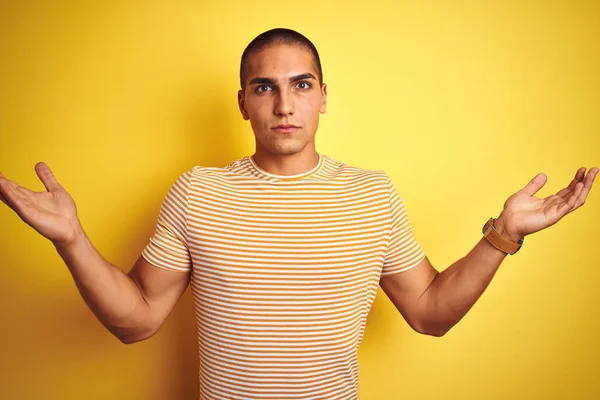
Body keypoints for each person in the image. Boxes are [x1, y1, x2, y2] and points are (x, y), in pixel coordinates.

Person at [0, 27, 596, 400]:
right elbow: (137, 321)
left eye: (301, 84)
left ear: (323, 96)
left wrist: (503, 237)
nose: (284, 104)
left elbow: (430, 314)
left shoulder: (372, 194)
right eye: (264, 88)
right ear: (242, 103)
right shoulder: (197, 192)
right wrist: (72, 239)